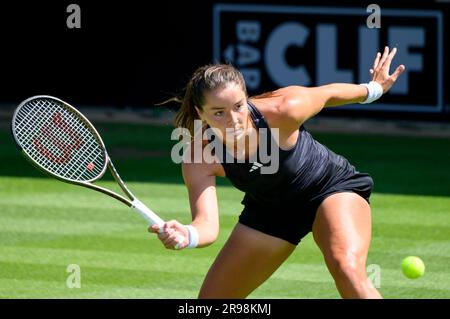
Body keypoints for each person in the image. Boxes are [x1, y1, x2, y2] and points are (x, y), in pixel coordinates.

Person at [149, 46, 405, 299]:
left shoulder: (285, 109)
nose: (234, 120)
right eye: (219, 113)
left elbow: (327, 94)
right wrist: (188, 234)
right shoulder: (199, 156)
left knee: (346, 268)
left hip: (329, 187)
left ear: (246, 98)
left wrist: (374, 89)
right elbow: (207, 225)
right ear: (199, 113)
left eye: (238, 106)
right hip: (270, 212)